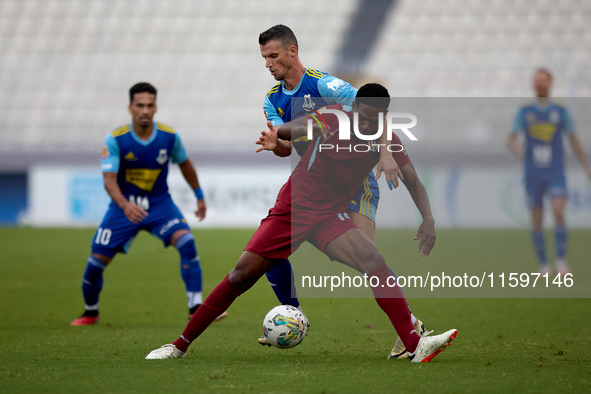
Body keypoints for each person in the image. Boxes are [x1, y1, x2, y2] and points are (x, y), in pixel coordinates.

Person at [146, 83, 457, 362]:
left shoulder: (387, 138)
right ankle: (179, 345)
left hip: (329, 216)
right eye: (360, 115)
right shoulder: (335, 117)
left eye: (373, 119)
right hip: (293, 210)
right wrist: (278, 134)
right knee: (241, 276)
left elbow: (413, 181)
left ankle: (414, 345)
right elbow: (299, 127)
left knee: (373, 260)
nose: (364, 123)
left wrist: (428, 218)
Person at [256, 25, 424, 358]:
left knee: (367, 260)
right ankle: (294, 313)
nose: (268, 64)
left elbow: (374, 110)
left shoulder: (324, 84)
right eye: (264, 58)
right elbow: (283, 148)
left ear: (292, 51)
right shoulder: (272, 99)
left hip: (353, 180)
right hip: (315, 182)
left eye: (273, 56)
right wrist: (276, 143)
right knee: (269, 254)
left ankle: (410, 328)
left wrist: (387, 152)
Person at [71, 82, 225, 326]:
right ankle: (91, 311)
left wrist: (199, 195)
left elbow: (185, 164)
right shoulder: (115, 140)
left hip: (159, 205)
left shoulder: (169, 137)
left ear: (156, 108)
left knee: (187, 243)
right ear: (130, 107)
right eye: (140, 105)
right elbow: (109, 181)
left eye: (149, 105)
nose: (145, 110)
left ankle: (196, 307)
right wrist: (124, 205)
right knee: (95, 265)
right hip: (123, 209)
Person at [507, 69, 591, 275]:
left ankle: (561, 260)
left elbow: (573, 139)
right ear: (533, 84)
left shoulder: (561, 112)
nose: (540, 84)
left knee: (558, 212)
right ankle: (544, 264)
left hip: (555, 172)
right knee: (536, 218)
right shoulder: (524, 112)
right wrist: (521, 152)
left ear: (551, 83)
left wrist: (586, 165)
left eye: (544, 80)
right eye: (537, 80)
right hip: (533, 174)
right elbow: (510, 139)